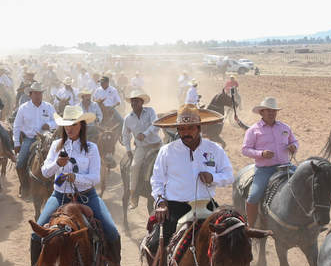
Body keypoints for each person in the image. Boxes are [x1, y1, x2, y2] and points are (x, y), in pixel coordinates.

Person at [27, 108, 128, 266]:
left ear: (81, 125)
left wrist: (77, 178)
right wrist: (57, 163)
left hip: (87, 197)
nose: (69, 129)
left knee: (111, 230)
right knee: (37, 232)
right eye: (66, 125)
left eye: (73, 125)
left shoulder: (91, 148)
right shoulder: (56, 145)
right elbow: (44, 172)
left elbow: (96, 177)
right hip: (60, 196)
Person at [149, 104, 234, 253]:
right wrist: (161, 201)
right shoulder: (167, 151)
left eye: (190, 128)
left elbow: (229, 176)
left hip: (207, 206)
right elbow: (157, 180)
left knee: (233, 240)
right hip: (175, 208)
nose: (185, 133)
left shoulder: (214, 149)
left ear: (199, 127)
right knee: (154, 246)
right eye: (181, 129)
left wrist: (212, 177)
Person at [240, 97, 299, 227]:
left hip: (286, 167)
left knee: (304, 184)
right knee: (254, 196)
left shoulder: (285, 127)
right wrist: (261, 154)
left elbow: (294, 141)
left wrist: (294, 147)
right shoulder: (253, 130)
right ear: (261, 113)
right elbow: (245, 150)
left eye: (274, 111)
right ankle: (250, 225)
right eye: (268, 111)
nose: (272, 113)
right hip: (265, 170)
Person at [12, 82, 57, 191]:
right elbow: (16, 126)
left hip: (47, 138)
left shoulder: (49, 107)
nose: (38, 95)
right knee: (20, 163)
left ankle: (58, 186)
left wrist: (50, 125)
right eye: (35, 93)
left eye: (40, 93)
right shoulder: (23, 108)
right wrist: (17, 143)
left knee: (60, 160)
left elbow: (57, 121)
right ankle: (24, 186)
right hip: (30, 139)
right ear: (30, 94)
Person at [121, 90, 162, 208]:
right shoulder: (128, 118)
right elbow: (125, 134)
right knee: (134, 167)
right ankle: (133, 196)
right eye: (132, 101)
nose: (134, 103)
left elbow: (156, 124)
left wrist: (145, 134)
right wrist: (128, 149)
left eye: (136, 101)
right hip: (142, 148)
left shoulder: (150, 111)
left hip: (157, 145)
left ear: (142, 102)